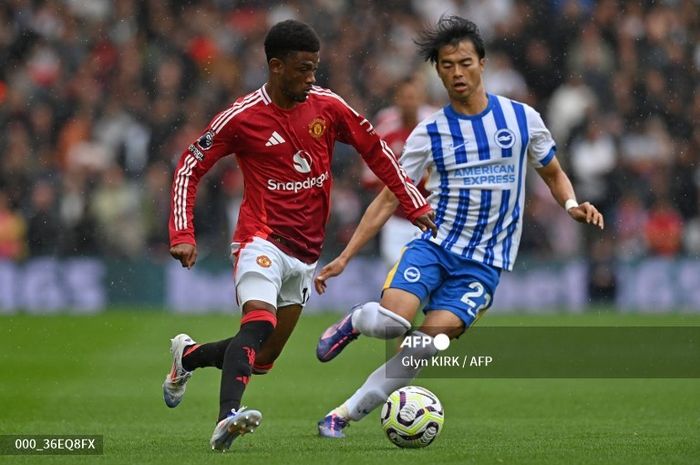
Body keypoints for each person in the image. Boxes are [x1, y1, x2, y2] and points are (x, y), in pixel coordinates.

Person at [313, 16, 604, 438]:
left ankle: (340, 416)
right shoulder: (428, 133)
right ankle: (356, 321)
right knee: (394, 323)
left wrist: (572, 204)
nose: (456, 72)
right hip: (434, 246)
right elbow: (389, 196)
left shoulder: (522, 120)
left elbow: (553, 172)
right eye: (446, 65)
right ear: (438, 71)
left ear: (482, 63)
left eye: (464, 62)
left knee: (419, 349)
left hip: (483, 267)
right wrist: (344, 256)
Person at [163, 19, 436, 452]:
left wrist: (413, 202)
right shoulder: (243, 117)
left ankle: (188, 357)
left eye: (315, 69)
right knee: (258, 321)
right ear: (276, 66)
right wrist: (182, 230)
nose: (312, 78)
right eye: (304, 69)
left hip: (306, 253)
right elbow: (190, 166)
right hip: (260, 238)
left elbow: (376, 151)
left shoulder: (328, 106)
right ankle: (227, 418)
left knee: (262, 356)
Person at [361, 76, 437, 268]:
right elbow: (369, 176)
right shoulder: (385, 128)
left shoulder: (435, 126)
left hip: (432, 217)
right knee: (397, 275)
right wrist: (400, 182)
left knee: (427, 277)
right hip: (395, 219)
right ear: (396, 99)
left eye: (413, 97)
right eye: (405, 97)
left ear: (422, 98)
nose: (409, 102)